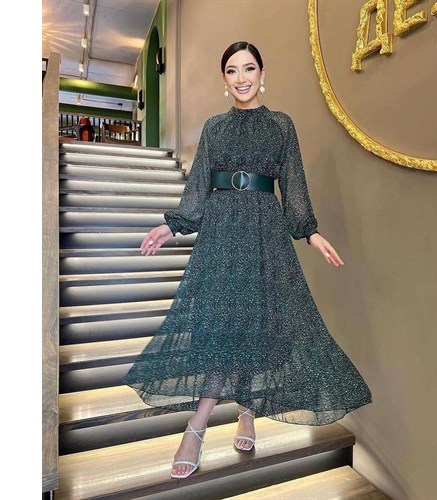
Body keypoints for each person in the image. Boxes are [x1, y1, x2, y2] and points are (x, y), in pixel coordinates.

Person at [123, 41, 372, 480]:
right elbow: (198, 187)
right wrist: (173, 225)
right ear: (224, 79)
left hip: (263, 233)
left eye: (249, 68)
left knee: (255, 323)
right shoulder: (214, 128)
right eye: (233, 70)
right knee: (223, 324)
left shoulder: (280, 126)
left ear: (262, 74)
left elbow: (293, 184)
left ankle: (244, 411)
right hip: (221, 233)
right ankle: (198, 425)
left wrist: (310, 232)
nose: (242, 78)